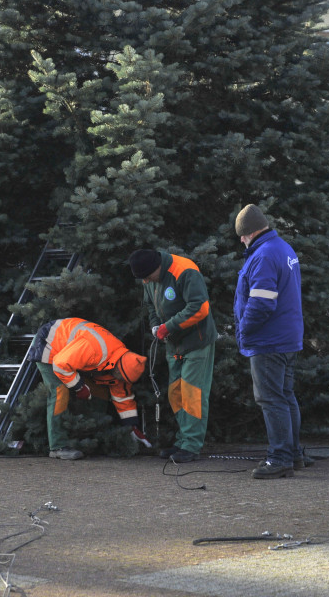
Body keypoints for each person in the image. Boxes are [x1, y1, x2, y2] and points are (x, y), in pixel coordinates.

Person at [233, 204, 307, 479]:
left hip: (268, 340)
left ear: (251, 232)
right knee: (285, 395)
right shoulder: (283, 248)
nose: (241, 240)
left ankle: (279, 458)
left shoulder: (263, 255)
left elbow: (261, 303)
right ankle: (294, 454)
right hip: (288, 338)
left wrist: (244, 331)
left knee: (270, 398)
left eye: (242, 235)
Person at [128, 248, 216, 463]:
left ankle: (192, 445)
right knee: (176, 394)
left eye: (149, 277)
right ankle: (183, 440)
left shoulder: (185, 271)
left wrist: (168, 327)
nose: (146, 282)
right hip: (173, 344)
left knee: (192, 394)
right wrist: (155, 325)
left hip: (197, 342)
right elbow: (150, 305)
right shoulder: (148, 279)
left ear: (157, 267)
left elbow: (200, 308)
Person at [29, 317, 151, 460]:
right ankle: (57, 447)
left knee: (101, 392)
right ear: (118, 369)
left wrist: (132, 427)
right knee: (59, 392)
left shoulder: (123, 365)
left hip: (69, 355)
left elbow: (122, 397)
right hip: (49, 344)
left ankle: (90, 439)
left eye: (124, 380)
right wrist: (80, 387)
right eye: (121, 378)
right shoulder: (94, 348)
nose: (121, 381)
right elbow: (60, 364)